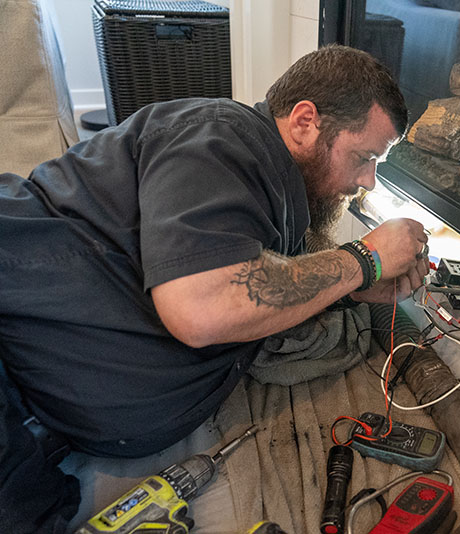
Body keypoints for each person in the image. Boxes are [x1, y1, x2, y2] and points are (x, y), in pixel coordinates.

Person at [0, 45, 428, 530]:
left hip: (42, 412)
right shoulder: (222, 135)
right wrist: (364, 261)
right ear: (305, 122)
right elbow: (201, 306)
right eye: (364, 157)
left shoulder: (279, 196)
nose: (368, 181)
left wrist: (348, 290)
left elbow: (255, 282)